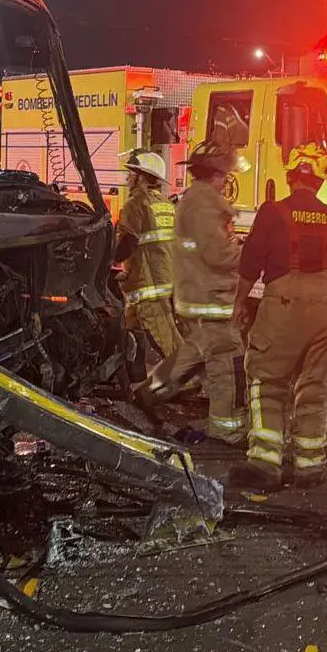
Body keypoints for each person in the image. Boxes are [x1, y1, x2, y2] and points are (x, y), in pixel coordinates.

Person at [225, 144, 327, 490]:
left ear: (289, 176)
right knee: (315, 390)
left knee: (267, 382)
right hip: (326, 312)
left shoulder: (272, 213)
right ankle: (309, 466)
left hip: (283, 309)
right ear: (320, 180)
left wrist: (239, 304)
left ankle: (266, 464)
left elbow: (250, 263)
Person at [135, 142, 249, 445]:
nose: (227, 180)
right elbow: (219, 254)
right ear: (216, 174)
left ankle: (149, 391)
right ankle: (225, 428)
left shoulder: (196, 200)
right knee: (223, 362)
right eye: (225, 174)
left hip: (198, 295)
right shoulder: (205, 205)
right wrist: (249, 254)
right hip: (209, 297)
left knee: (195, 351)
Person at [114, 150, 182, 359]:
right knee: (122, 334)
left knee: (166, 339)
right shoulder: (166, 204)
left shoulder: (136, 204)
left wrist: (108, 260)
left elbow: (128, 243)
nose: (128, 179)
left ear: (142, 177)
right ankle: (122, 379)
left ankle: (187, 382)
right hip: (163, 280)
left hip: (149, 286)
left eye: (132, 174)